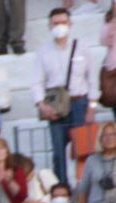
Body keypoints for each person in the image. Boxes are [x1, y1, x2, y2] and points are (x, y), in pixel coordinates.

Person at [33, 7, 97, 188]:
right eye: (55, 23)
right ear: (49, 26)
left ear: (70, 24)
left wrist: (92, 107)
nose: (59, 26)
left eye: (63, 22)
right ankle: (62, 191)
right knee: (58, 153)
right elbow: (36, 82)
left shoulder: (82, 47)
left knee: (84, 151)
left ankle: (86, 189)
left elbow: (91, 79)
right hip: (56, 106)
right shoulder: (43, 52)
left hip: (80, 103)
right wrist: (41, 105)